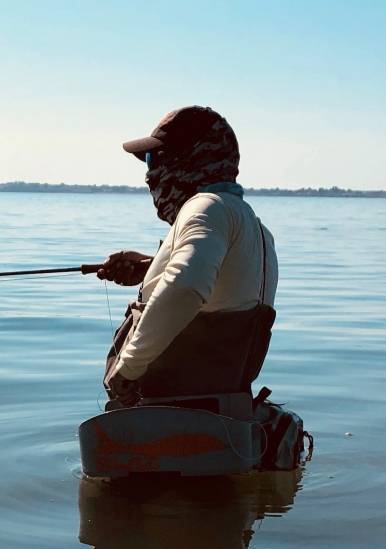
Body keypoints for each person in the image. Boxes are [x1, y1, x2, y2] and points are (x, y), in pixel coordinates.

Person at [99, 106, 279, 408]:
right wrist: (150, 271)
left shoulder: (206, 207)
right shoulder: (255, 227)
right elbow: (222, 293)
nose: (148, 174)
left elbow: (186, 287)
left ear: (189, 160)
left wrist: (128, 368)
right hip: (220, 411)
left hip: (175, 417)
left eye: (154, 159)